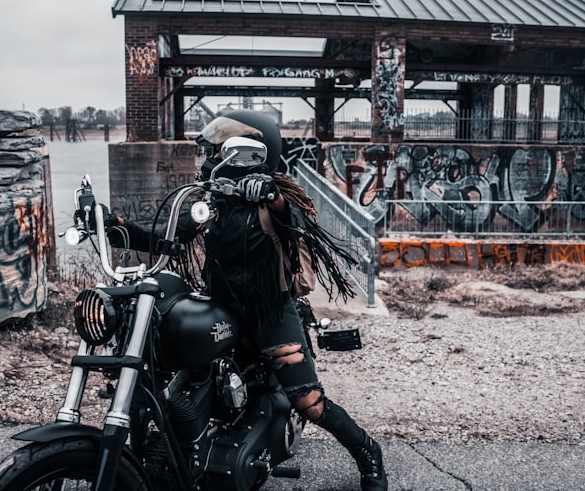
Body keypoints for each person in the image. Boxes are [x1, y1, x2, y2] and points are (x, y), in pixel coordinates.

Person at [104, 109, 388, 491]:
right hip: (221, 308)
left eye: (218, 152)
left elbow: (297, 223)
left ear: (252, 154)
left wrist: (269, 194)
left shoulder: (276, 200)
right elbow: (167, 242)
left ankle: (369, 453)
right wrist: (113, 227)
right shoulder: (212, 204)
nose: (208, 161)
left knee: (309, 402)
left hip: (270, 312)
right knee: (178, 376)